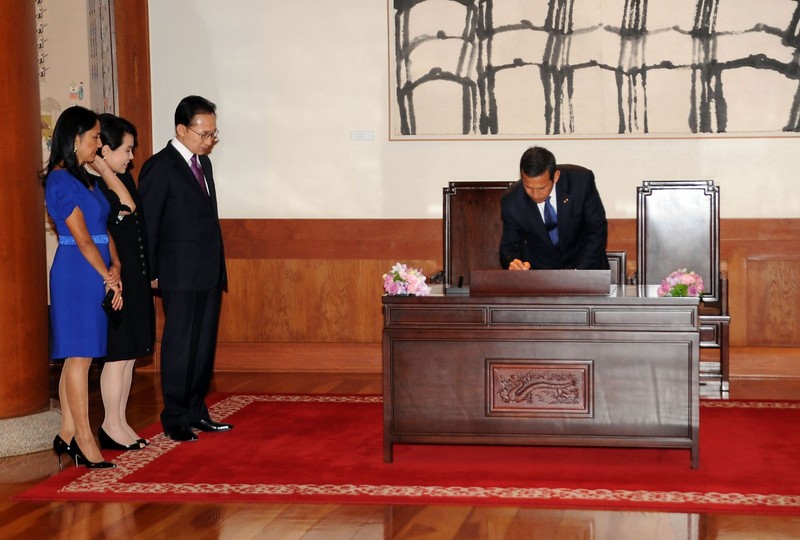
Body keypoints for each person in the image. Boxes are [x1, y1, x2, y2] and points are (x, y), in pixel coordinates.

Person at [138, 95, 232, 442]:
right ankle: (175, 416)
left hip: (207, 270)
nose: (209, 140)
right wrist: (151, 272)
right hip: (177, 273)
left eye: (213, 133)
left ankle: (196, 409)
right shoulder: (160, 167)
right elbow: (149, 224)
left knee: (203, 344)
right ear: (181, 129)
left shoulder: (201, 164)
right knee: (179, 344)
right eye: (203, 133)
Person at [43, 105, 122, 469]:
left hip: (96, 268)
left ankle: (67, 433)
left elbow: (104, 227)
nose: (99, 144)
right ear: (75, 139)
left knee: (82, 354)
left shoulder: (86, 178)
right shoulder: (60, 180)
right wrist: (107, 273)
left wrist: (116, 266)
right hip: (77, 272)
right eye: (94, 137)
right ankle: (85, 440)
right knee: (79, 356)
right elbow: (82, 238)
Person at [88, 113, 155, 451]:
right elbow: (125, 208)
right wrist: (101, 168)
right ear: (104, 150)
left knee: (130, 354)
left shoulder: (122, 179)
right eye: (126, 150)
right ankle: (109, 424)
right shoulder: (99, 185)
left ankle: (120, 420)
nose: (131, 157)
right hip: (115, 280)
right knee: (117, 354)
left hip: (135, 276)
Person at [499, 146, 610, 271]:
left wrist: (578, 273)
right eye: (528, 187)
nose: (535, 195)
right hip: (542, 275)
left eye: (542, 188)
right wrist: (513, 263)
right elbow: (509, 247)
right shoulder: (512, 200)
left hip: (586, 266)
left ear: (556, 176)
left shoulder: (581, 182)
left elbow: (597, 230)